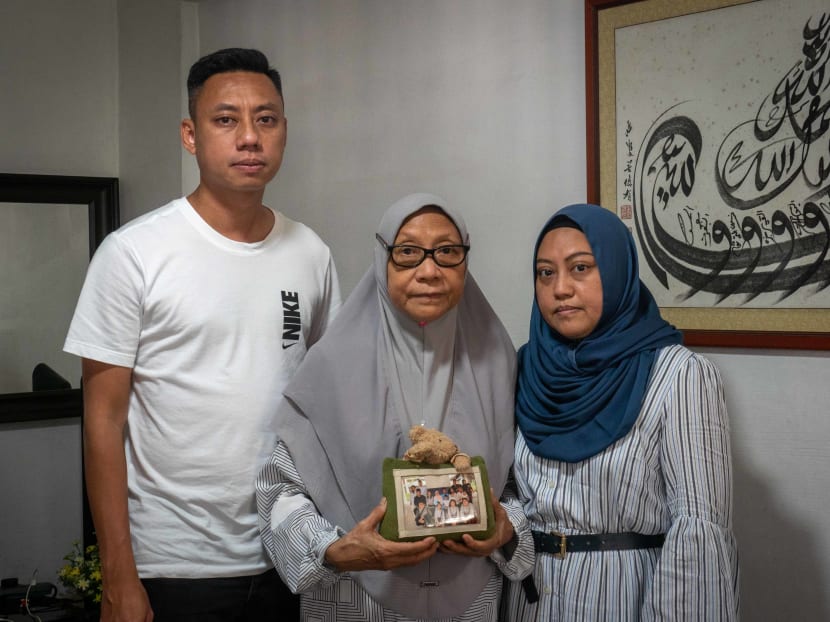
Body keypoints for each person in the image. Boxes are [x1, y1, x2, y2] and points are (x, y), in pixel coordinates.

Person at [64, 48, 341, 622]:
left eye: (265, 119)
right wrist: (119, 576)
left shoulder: (310, 253)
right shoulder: (134, 254)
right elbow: (103, 419)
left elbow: (328, 402)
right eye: (226, 119)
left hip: (286, 553)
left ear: (284, 131)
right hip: (173, 568)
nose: (249, 137)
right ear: (191, 136)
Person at [256, 193, 534, 620]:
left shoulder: (497, 361)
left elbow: (521, 483)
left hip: (469, 600)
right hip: (355, 598)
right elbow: (280, 490)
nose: (429, 270)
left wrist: (504, 528)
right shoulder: (332, 363)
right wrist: (335, 550)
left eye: (447, 252)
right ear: (382, 259)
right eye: (408, 253)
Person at [502, 204, 739, 620]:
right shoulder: (525, 369)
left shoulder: (680, 375)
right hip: (530, 597)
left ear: (617, 271)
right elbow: (511, 493)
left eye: (580, 268)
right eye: (545, 272)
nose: (560, 288)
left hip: (626, 598)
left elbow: (698, 530)